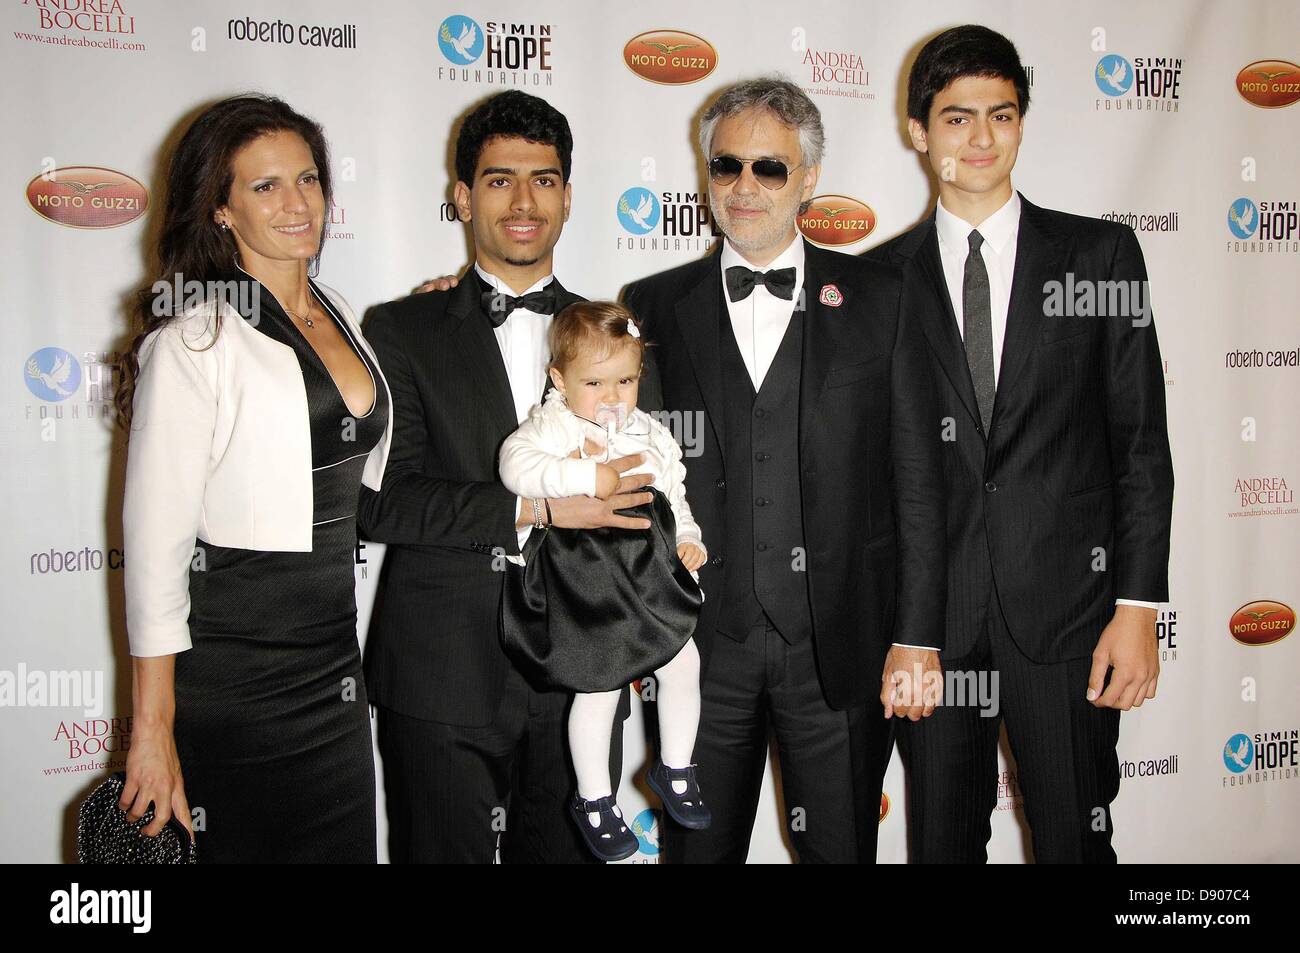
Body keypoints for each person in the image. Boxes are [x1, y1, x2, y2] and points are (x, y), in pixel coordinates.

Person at [864, 25, 1174, 862]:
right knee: (942, 845)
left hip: (1071, 613)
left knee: (1076, 839)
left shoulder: (1100, 253)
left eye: (1001, 115)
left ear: (1023, 124)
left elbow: (1141, 442)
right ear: (918, 131)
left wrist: (1139, 608)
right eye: (957, 117)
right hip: (931, 626)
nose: (981, 138)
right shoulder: (872, 283)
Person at [623, 77, 948, 863]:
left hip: (840, 649)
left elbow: (918, 477)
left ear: (808, 180)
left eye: (769, 168)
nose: (743, 186)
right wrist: (634, 631)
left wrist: (917, 637)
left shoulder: (883, 297)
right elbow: (635, 478)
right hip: (701, 652)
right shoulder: (652, 305)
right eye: (727, 165)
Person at [357, 91, 657, 863]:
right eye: (498, 180)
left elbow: (643, 487)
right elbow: (387, 504)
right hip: (441, 669)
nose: (524, 201)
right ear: (461, 196)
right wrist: (540, 508)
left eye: (545, 179)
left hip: (581, 668)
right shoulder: (401, 329)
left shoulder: (616, 333)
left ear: (567, 195)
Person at [117, 94, 392, 863]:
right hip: (234, 687)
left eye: (307, 179)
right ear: (220, 209)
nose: (298, 203)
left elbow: (363, 475)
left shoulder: (338, 311)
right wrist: (152, 731)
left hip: (334, 677)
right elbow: (155, 555)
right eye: (265, 186)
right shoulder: (193, 342)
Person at [498, 301, 709, 861]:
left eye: (625, 380)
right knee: (598, 690)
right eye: (595, 382)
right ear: (559, 380)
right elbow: (513, 466)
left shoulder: (651, 432)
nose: (613, 396)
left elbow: (674, 493)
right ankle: (594, 799)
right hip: (583, 580)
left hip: (643, 574)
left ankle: (677, 766)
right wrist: (585, 474)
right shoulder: (552, 424)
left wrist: (689, 536)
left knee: (685, 661)